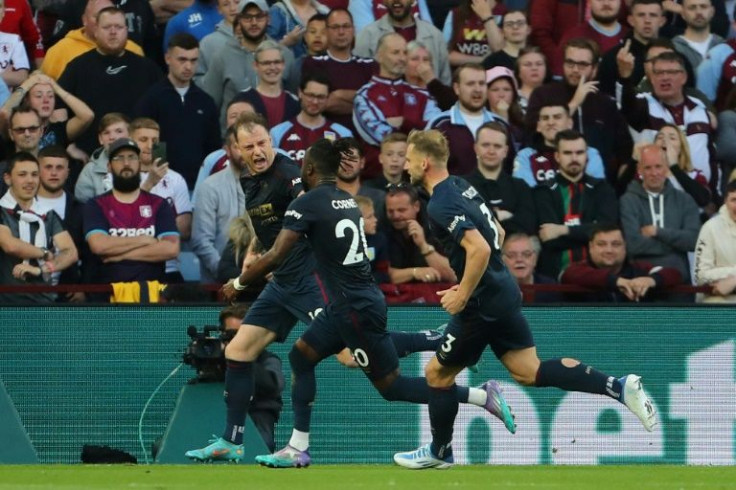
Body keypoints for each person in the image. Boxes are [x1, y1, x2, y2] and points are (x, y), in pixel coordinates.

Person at [184, 116, 501, 465]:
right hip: (282, 284)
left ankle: (453, 365)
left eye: (262, 143)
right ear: (236, 150)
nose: (258, 151)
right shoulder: (250, 180)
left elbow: (309, 211)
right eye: (250, 147)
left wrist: (243, 280)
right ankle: (234, 441)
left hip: (312, 281)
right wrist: (256, 257)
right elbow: (273, 230)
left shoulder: (291, 176)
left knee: (350, 358)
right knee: (239, 351)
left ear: (272, 142)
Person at [393, 129, 657, 470]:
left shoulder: (442, 202)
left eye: (411, 158)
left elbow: (480, 248)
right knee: (529, 371)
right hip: (503, 290)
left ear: (425, 162)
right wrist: (489, 278)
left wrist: (464, 291)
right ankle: (619, 387)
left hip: (483, 302)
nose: (407, 164)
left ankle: (440, 452)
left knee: (437, 375)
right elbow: (498, 233)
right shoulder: (462, 185)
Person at [57, 6, 163, 155]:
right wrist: (66, 145)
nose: (113, 32)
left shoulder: (147, 68)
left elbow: (163, 114)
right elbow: (58, 108)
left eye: (118, 27)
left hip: (138, 158)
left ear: (126, 30)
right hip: (89, 158)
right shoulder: (78, 67)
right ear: (96, 31)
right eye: (107, 27)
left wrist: (158, 157)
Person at [83, 137, 180, 284]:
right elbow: (99, 246)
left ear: (140, 165)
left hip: (151, 295)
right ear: (109, 166)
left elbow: (171, 248)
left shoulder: (159, 204)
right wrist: (145, 240)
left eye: (132, 157)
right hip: (108, 295)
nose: (126, 163)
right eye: (119, 158)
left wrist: (120, 255)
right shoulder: (96, 205)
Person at [135, 33, 221, 190]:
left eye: (193, 60)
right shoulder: (151, 99)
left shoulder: (206, 102)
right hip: (161, 183)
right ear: (168, 58)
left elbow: (213, 148)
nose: (188, 66)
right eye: (182, 60)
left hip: (199, 185)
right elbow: (147, 141)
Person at [533, 130, 619, 279]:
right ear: (557, 156)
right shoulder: (543, 191)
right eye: (567, 153)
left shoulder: (603, 189)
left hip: (599, 277)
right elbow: (550, 239)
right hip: (554, 276)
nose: (574, 158)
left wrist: (563, 230)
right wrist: (589, 231)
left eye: (579, 152)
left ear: (586, 156)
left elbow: (607, 232)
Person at [353, 32, 440, 177]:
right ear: (379, 56)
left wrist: (403, 123)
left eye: (404, 52)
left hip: (418, 179)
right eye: (395, 52)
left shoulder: (422, 95)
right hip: (378, 180)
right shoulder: (364, 95)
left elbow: (435, 134)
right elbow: (382, 138)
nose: (401, 58)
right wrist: (417, 125)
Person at [0, 152, 78, 303]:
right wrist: (44, 253)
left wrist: (42, 269)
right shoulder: (1, 210)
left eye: (34, 175)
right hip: (7, 303)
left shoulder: (47, 214)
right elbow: (10, 245)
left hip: (44, 301)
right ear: (7, 178)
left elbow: (70, 252)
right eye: (22, 174)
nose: (30, 181)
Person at [619, 144, 700, 284]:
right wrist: (676, 245)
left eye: (658, 166)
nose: (654, 173)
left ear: (667, 168)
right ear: (639, 169)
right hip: (640, 279)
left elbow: (693, 241)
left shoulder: (685, 200)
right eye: (648, 168)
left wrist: (658, 232)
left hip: (679, 281)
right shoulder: (628, 200)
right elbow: (633, 245)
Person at [219, 303, 285, 453]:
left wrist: (241, 361)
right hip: (215, 413)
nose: (237, 340)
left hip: (256, 415)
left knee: (262, 445)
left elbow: (275, 385)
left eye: (242, 335)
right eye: (231, 335)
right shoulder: (215, 358)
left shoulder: (268, 360)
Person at [561, 223, 683, 302]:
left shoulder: (638, 268)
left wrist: (651, 280)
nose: (609, 250)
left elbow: (674, 274)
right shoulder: (577, 270)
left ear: (625, 247)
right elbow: (569, 275)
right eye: (601, 244)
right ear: (591, 247)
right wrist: (617, 282)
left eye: (616, 244)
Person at [426, 63, 506, 176]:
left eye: (482, 83)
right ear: (457, 88)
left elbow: (509, 168)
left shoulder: (500, 124)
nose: (477, 89)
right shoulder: (440, 125)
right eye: (470, 84)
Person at [191, 126, 246, 283]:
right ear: (227, 150)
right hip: (219, 284)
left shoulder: (272, 185)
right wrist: (228, 274)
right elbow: (201, 240)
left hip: (265, 284)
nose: (244, 151)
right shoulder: (210, 186)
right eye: (237, 146)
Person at [40, 0, 144, 81]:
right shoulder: (60, 51)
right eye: (97, 17)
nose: (103, 22)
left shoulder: (133, 50)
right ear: (84, 20)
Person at [354, 0, 451, 85]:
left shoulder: (435, 36)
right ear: (383, 1)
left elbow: (445, 82)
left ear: (413, 1)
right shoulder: (367, 36)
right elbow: (358, 80)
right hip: (381, 103)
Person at [464, 121, 535, 235]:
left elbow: (528, 226)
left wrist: (486, 219)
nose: (491, 151)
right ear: (476, 148)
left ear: (505, 151)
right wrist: (499, 216)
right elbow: (462, 226)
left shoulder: (520, 187)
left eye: (497, 146)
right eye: (486, 145)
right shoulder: (459, 186)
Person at [36, 145, 87, 301]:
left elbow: (90, 255)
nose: (53, 173)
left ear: (67, 173)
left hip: (68, 294)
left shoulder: (81, 209)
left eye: (59, 167)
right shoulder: (21, 206)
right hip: (27, 291)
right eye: (48, 167)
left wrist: (84, 287)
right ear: (37, 171)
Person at [269, 72, 352, 167]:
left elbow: (347, 170)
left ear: (328, 98)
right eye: (310, 95)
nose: (315, 101)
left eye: (320, 97)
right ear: (300, 93)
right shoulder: (278, 133)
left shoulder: (343, 134)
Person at [1, 71, 94, 153]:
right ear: (26, 100)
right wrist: (27, 84)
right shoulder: (17, 128)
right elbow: (4, 113)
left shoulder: (59, 130)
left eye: (50, 96)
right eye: (39, 96)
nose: (46, 100)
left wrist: (57, 88)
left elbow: (87, 115)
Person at [385, 183, 456, 284]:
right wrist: (415, 272)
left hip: (435, 293)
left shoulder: (437, 226)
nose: (395, 216)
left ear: (416, 206)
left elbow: (453, 275)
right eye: (390, 211)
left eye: (401, 210)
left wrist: (423, 246)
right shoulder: (383, 228)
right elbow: (382, 275)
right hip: (399, 295)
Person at [230, 40, 300, 130]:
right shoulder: (242, 100)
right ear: (255, 66)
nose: (272, 67)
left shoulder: (294, 102)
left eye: (277, 62)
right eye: (266, 63)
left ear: (283, 64)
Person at [73, 112, 131, 203]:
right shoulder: (90, 171)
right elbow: (82, 209)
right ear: (100, 139)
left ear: (130, 135)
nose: (112, 137)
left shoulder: (142, 163)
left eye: (119, 131)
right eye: (106, 133)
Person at [694, 180, 736, 302]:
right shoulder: (710, 228)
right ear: (725, 202)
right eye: (734, 200)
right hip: (720, 298)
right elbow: (701, 275)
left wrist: (733, 280)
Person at [441, 0, 505, 68]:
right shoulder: (456, 14)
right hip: (460, 73)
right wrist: (482, 60)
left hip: (493, 74)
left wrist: (487, 17)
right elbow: (444, 55)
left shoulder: (504, 14)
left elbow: (500, 51)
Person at [501, 232, 561, 303]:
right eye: (512, 255)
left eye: (526, 254)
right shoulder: (496, 289)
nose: (519, 259)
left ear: (535, 259)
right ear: (502, 260)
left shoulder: (550, 287)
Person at [672, 0, 722, 70]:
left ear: (712, 11)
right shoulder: (673, 48)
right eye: (692, 8)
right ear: (683, 13)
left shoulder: (724, 46)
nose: (699, 12)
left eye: (703, 7)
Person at [515, 46, 547, 113]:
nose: (534, 68)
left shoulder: (555, 95)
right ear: (518, 71)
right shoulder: (513, 98)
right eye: (528, 65)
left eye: (539, 64)